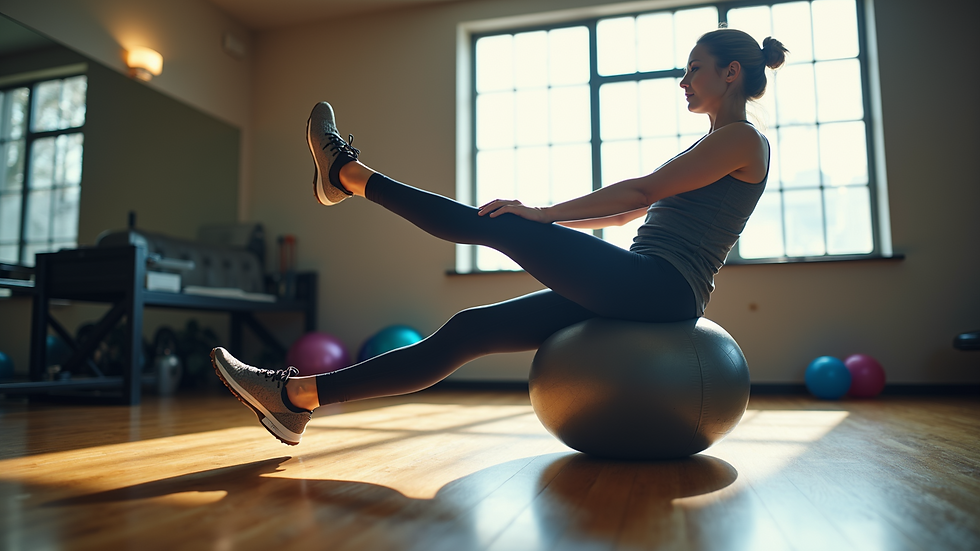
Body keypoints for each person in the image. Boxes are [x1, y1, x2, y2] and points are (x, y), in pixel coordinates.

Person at [212, 28, 788, 445]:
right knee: (471, 329)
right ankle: (296, 400)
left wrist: (542, 214)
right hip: (643, 283)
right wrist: (549, 220)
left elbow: (639, 193)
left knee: (505, 225)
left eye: (694, 68)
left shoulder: (742, 140)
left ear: (730, 72)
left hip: (663, 288)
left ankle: (346, 176)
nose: (683, 81)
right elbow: (622, 216)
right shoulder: (715, 143)